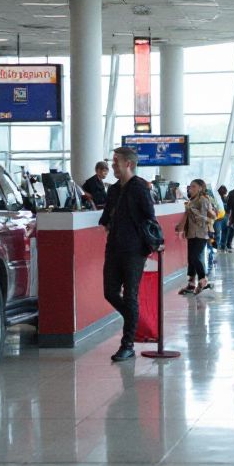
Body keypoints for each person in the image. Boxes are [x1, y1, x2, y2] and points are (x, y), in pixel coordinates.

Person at [100, 146, 159, 362]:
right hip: (114, 248)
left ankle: (128, 344)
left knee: (131, 294)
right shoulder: (113, 190)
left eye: (116, 161)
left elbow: (150, 218)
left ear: (129, 164)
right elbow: (106, 217)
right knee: (110, 292)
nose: (113, 165)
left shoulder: (139, 188)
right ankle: (134, 320)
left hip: (134, 251)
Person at [176, 178, 215, 296]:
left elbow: (202, 219)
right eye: (190, 186)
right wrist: (180, 228)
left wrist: (191, 210)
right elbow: (186, 216)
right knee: (191, 259)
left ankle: (203, 280)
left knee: (194, 257)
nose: (190, 188)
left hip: (201, 233)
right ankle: (191, 283)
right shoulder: (191, 200)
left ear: (200, 188)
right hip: (191, 233)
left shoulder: (202, 200)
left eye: (193, 186)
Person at [217, 185, 231, 251]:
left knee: (218, 232)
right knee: (225, 231)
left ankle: (217, 245)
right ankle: (223, 245)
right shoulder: (227, 198)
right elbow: (230, 208)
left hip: (218, 216)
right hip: (226, 216)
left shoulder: (217, 198)